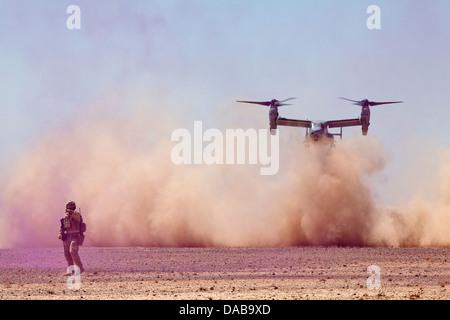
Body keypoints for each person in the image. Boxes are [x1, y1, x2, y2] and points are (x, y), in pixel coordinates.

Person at [58, 200, 84, 276]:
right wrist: (60, 233)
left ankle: (80, 269)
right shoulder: (66, 218)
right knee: (67, 254)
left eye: (71, 206)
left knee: (72, 251)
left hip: (75, 236)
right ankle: (71, 270)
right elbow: (62, 227)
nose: (69, 207)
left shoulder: (76, 215)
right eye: (68, 206)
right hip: (67, 237)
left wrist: (70, 212)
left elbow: (75, 215)